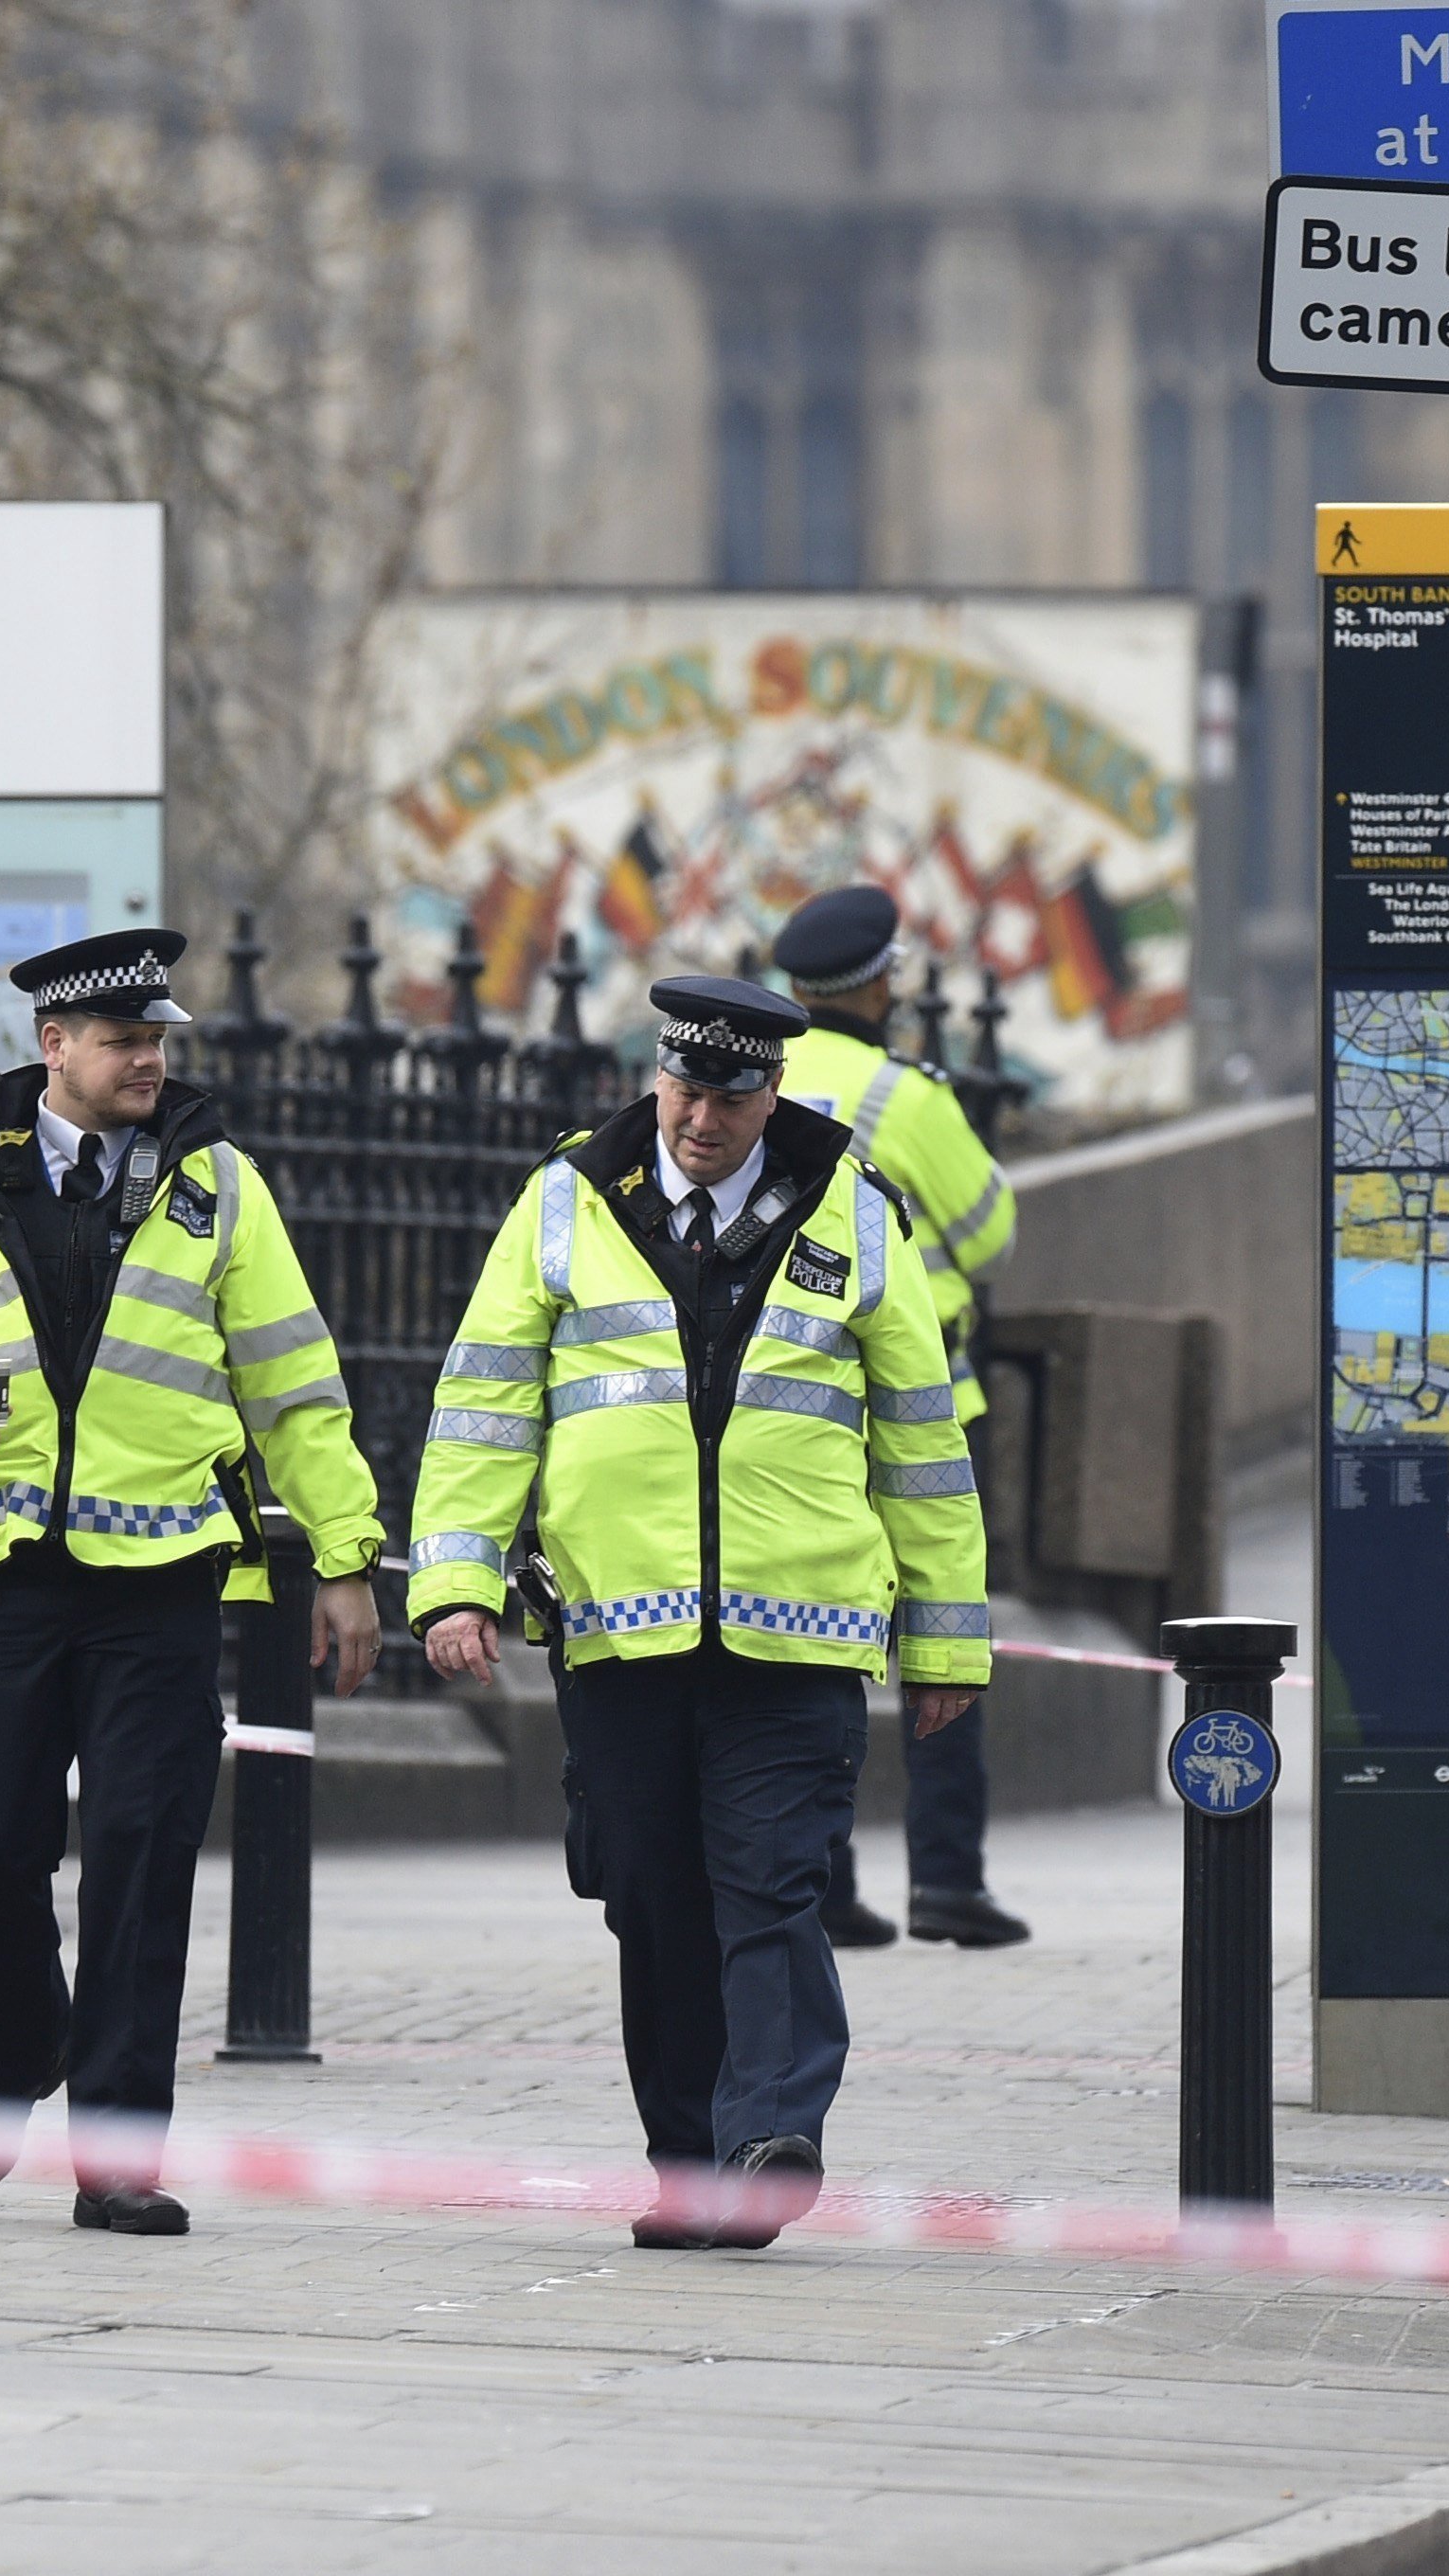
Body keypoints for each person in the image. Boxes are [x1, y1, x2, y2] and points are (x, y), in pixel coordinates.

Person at [408, 975, 989, 2250]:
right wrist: (454, 1581)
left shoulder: (855, 1211)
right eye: (681, 1091)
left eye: (728, 1099)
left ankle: (771, 2135)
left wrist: (948, 1639)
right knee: (652, 1899)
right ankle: (689, 2168)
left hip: (797, 1634)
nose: (698, 1121)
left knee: (771, 1886)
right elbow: (485, 1404)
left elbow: (924, 1444)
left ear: (770, 1095)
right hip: (621, 1634)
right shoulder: (563, 1204)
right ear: (655, 1078)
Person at [0, 927, 383, 2237]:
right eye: (126, 1041)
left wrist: (348, 1557)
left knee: (142, 1861)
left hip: (164, 1579)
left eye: (158, 1041)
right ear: (55, 1049)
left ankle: (121, 2152)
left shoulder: (220, 1187)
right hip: (2, 1575)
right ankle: (23, 2049)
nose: (149, 1059)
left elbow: (296, 1388)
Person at [768, 885, 1030, 1953]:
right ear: (882, 982)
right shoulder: (905, 1100)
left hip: (795, 1409)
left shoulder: (755, 1078)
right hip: (924, 1405)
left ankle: (818, 1878)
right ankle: (947, 1880)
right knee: (941, 1634)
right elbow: (990, 1231)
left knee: (800, 1643)